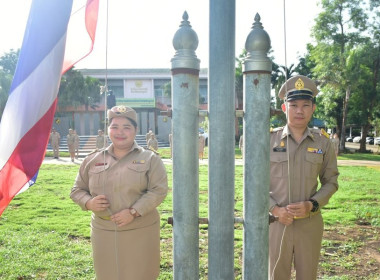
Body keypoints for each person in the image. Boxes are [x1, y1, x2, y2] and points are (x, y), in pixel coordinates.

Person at [70, 105, 168, 279]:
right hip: (103, 230)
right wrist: (88, 202)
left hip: (140, 229)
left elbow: (158, 191)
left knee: (141, 274)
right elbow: (77, 190)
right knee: (108, 274)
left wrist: (133, 211)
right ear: (108, 130)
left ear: (136, 130)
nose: (120, 132)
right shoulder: (93, 159)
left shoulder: (150, 159)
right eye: (114, 127)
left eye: (126, 127)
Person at [269, 75, 339, 280]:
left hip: (309, 223)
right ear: (284, 108)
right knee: (275, 276)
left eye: (305, 105)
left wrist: (312, 204)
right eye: (293, 105)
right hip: (275, 223)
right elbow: (253, 184)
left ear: (313, 109)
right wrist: (274, 209)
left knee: (307, 276)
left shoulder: (323, 142)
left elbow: (331, 181)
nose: (299, 110)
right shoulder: (268, 139)